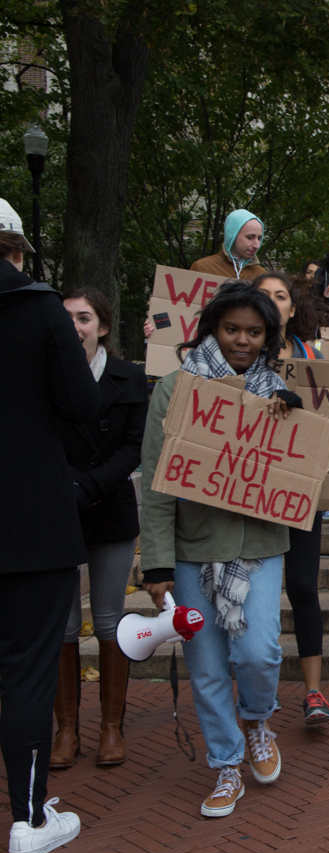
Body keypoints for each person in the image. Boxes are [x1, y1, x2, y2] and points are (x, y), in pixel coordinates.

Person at [140, 282, 302, 818]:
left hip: (257, 545)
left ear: (267, 337)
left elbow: (297, 468)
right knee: (206, 666)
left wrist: (291, 421)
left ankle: (257, 719)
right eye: (232, 329)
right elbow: (159, 483)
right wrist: (157, 563)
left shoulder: (277, 393)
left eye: (254, 332)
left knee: (259, 652)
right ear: (213, 328)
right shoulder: (173, 389)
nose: (242, 340)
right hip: (190, 551)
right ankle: (226, 763)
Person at [1, 209, 99, 853]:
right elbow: (83, 411)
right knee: (28, 672)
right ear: (14, 248)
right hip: (30, 522)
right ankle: (29, 819)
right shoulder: (39, 311)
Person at [51, 288, 148, 770]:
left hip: (107, 507)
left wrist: (90, 485)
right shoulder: (44, 375)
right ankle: (65, 730)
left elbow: (135, 447)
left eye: (84, 317)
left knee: (109, 620)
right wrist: (61, 487)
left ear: (102, 326)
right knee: (63, 625)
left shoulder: (128, 377)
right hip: (56, 511)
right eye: (66, 317)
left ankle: (112, 727)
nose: (74, 326)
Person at [253, 273, 329, 722]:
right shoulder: (239, 357)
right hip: (250, 490)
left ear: (292, 308)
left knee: (302, 586)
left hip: (301, 489)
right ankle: (256, 689)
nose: (272, 302)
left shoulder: (312, 357)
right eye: (263, 295)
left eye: (280, 296)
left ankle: (314, 691)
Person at [191, 209, 266, 280]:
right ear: (232, 236)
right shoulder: (202, 267)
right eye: (250, 237)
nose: (256, 245)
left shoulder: (262, 276)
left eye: (259, 238)